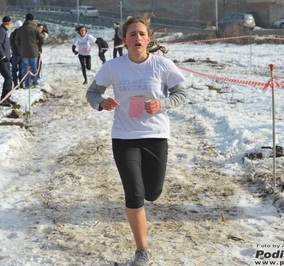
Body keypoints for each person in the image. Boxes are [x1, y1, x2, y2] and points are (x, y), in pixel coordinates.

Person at [85, 13, 186, 266]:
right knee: (135, 194)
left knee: (153, 192)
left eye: (142, 34)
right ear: (124, 40)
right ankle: (142, 250)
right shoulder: (113, 67)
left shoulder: (162, 65)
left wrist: (161, 103)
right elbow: (92, 92)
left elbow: (181, 93)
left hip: (155, 135)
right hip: (124, 136)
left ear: (148, 38)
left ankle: (148, 199)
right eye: (132, 34)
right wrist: (102, 102)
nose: (137, 37)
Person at [15, 13, 44, 89]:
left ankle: (27, 83)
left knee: (25, 68)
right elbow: (41, 39)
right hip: (34, 51)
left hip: (24, 52)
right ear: (32, 20)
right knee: (34, 68)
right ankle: (35, 83)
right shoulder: (35, 28)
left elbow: (16, 40)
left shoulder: (21, 29)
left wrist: (20, 48)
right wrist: (38, 47)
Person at [0, 16, 16, 107]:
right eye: (11, 22)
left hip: (5, 59)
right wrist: (3, 56)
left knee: (9, 79)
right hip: (0, 60)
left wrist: (8, 57)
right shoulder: (1, 31)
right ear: (8, 23)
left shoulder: (4, 31)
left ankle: (7, 98)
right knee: (8, 78)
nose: (11, 24)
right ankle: (3, 100)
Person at [10, 20, 23, 88]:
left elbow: (10, 42)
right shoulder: (23, 34)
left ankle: (15, 83)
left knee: (14, 69)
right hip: (23, 53)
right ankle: (21, 83)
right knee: (22, 69)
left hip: (15, 53)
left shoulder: (12, 34)